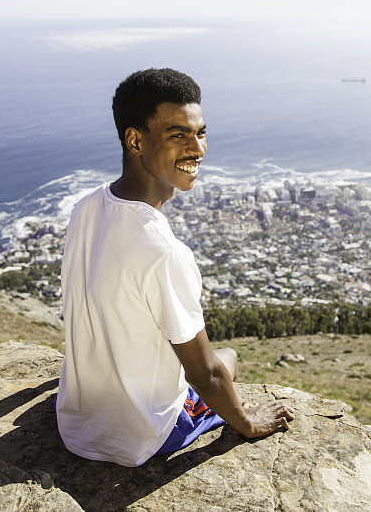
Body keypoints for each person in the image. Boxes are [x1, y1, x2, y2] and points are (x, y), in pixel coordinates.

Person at [55, 68, 294, 467]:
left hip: (76, 421)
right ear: (135, 140)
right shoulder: (163, 252)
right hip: (140, 437)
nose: (197, 148)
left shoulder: (88, 207)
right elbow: (208, 376)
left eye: (200, 132)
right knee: (229, 358)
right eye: (177, 134)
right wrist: (248, 423)